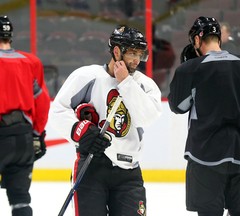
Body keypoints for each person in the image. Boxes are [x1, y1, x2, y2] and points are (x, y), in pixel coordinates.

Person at [49, 25, 162, 216]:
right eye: (132, 53)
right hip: (92, 168)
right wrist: (81, 131)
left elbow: (147, 117)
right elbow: (58, 111)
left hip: (129, 172)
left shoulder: (145, 84)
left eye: (139, 54)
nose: (136, 60)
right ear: (116, 51)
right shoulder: (87, 76)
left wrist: (125, 82)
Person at [168, 16, 240, 216]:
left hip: (204, 158)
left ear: (198, 39)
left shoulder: (190, 69)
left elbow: (178, 106)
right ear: (218, 38)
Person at [0, 15, 50, 216]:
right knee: (20, 201)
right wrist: (37, 135)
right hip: (23, 138)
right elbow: (42, 101)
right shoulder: (30, 62)